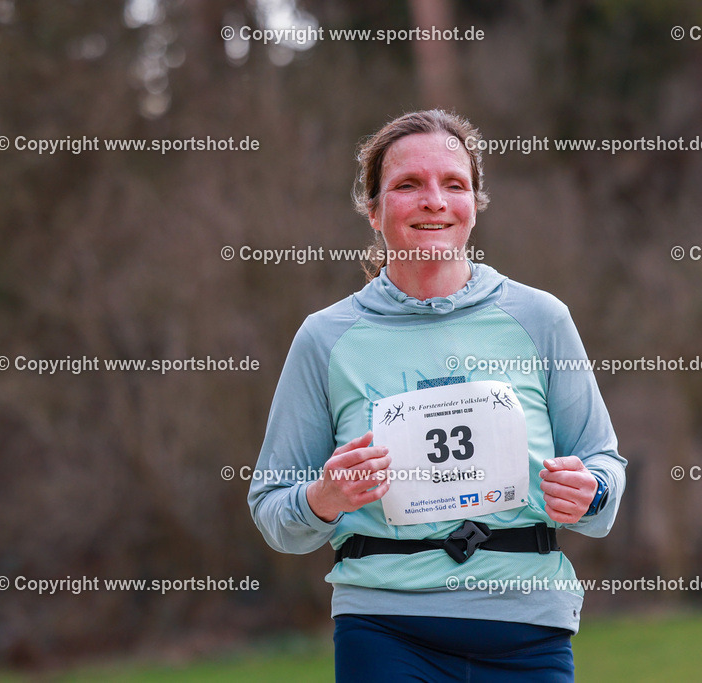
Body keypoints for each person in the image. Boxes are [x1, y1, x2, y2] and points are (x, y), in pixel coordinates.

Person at [248, 109, 626, 682]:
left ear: (475, 205)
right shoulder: (324, 337)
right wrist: (326, 497)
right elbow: (273, 508)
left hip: (527, 630)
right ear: (373, 211)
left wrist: (590, 491)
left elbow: (604, 466)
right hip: (385, 628)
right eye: (408, 185)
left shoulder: (541, 318)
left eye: (454, 184)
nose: (434, 201)